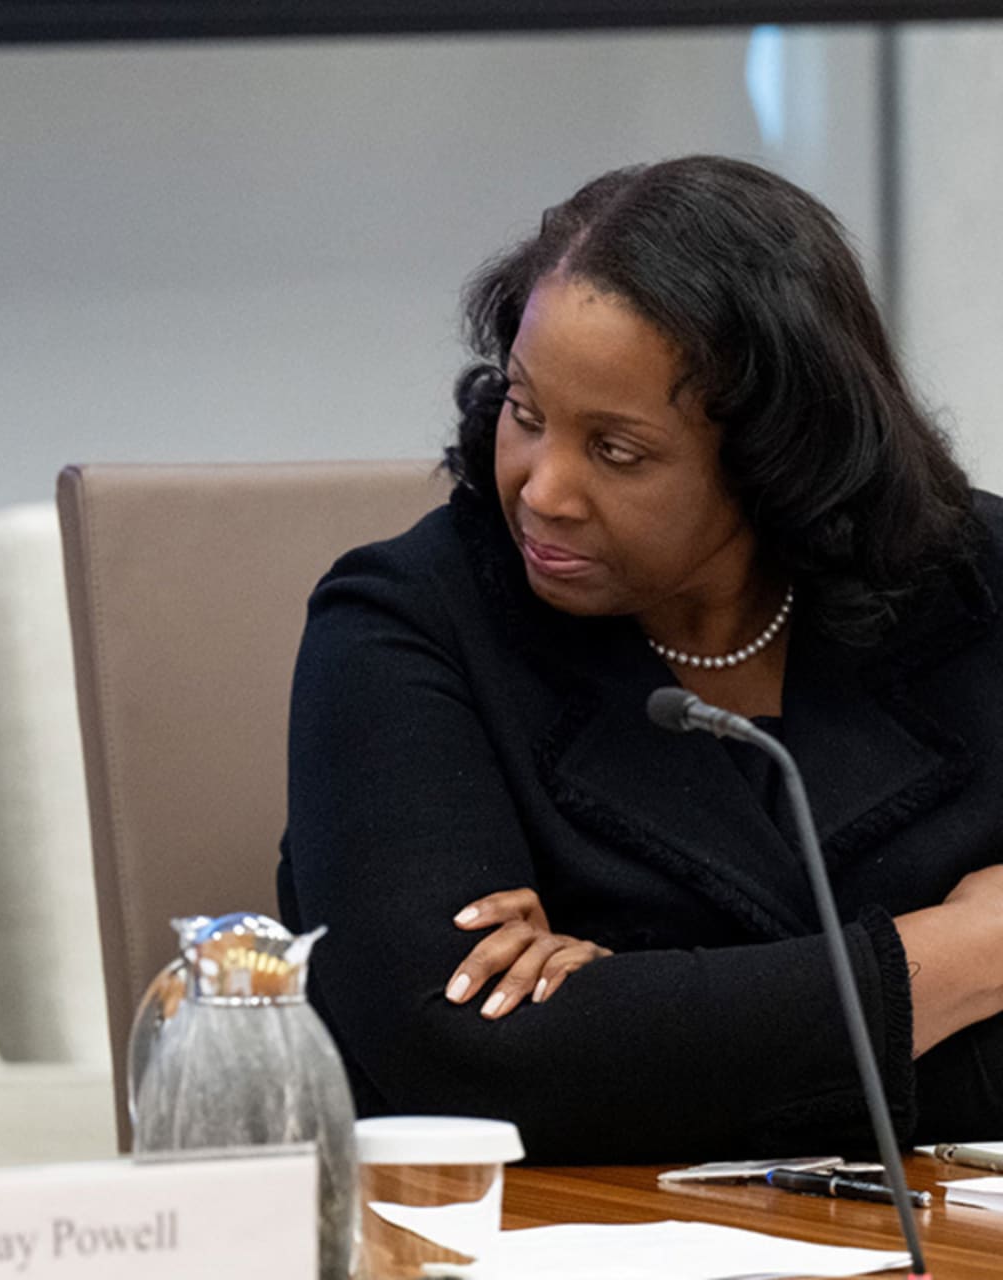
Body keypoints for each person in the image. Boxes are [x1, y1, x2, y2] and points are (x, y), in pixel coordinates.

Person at [279, 155, 1003, 1164]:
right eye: (527, 414)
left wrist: (641, 1009)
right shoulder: (404, 623)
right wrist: (968, 956)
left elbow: (581, 1060)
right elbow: (456, 1062)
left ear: (776, 458)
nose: (543, 490)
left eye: (617, 450)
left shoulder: (976, 586)